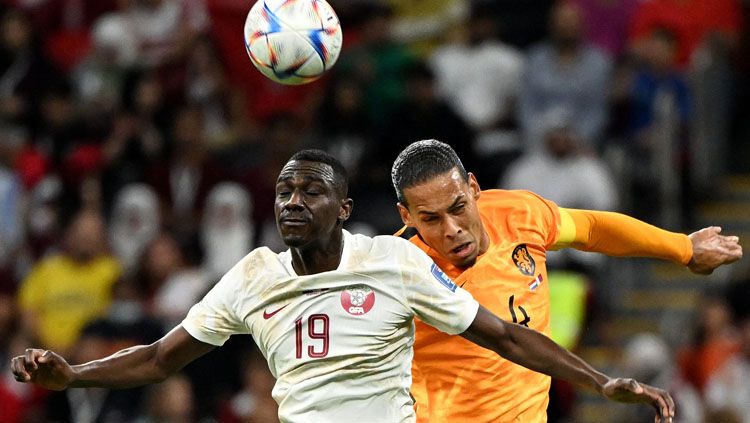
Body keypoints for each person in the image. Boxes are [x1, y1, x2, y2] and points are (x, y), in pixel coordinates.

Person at [11, 150, 676, 422]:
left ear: (344, 208)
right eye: (283, 191)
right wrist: (73, 375)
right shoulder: (252, 276)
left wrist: (598, 381)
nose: (293, 201)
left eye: (311, 190)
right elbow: (160, 357)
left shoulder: (393, 262)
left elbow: (506, 334)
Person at [391, 139, 742, 422]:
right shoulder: (401, 273)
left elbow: (591, 228)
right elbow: (509, 340)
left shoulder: (519, 213)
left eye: (457, 208)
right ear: (407, 216)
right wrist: (600, 381)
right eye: (431, 219)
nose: (451, 229)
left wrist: (684, 248)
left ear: (473, 187)